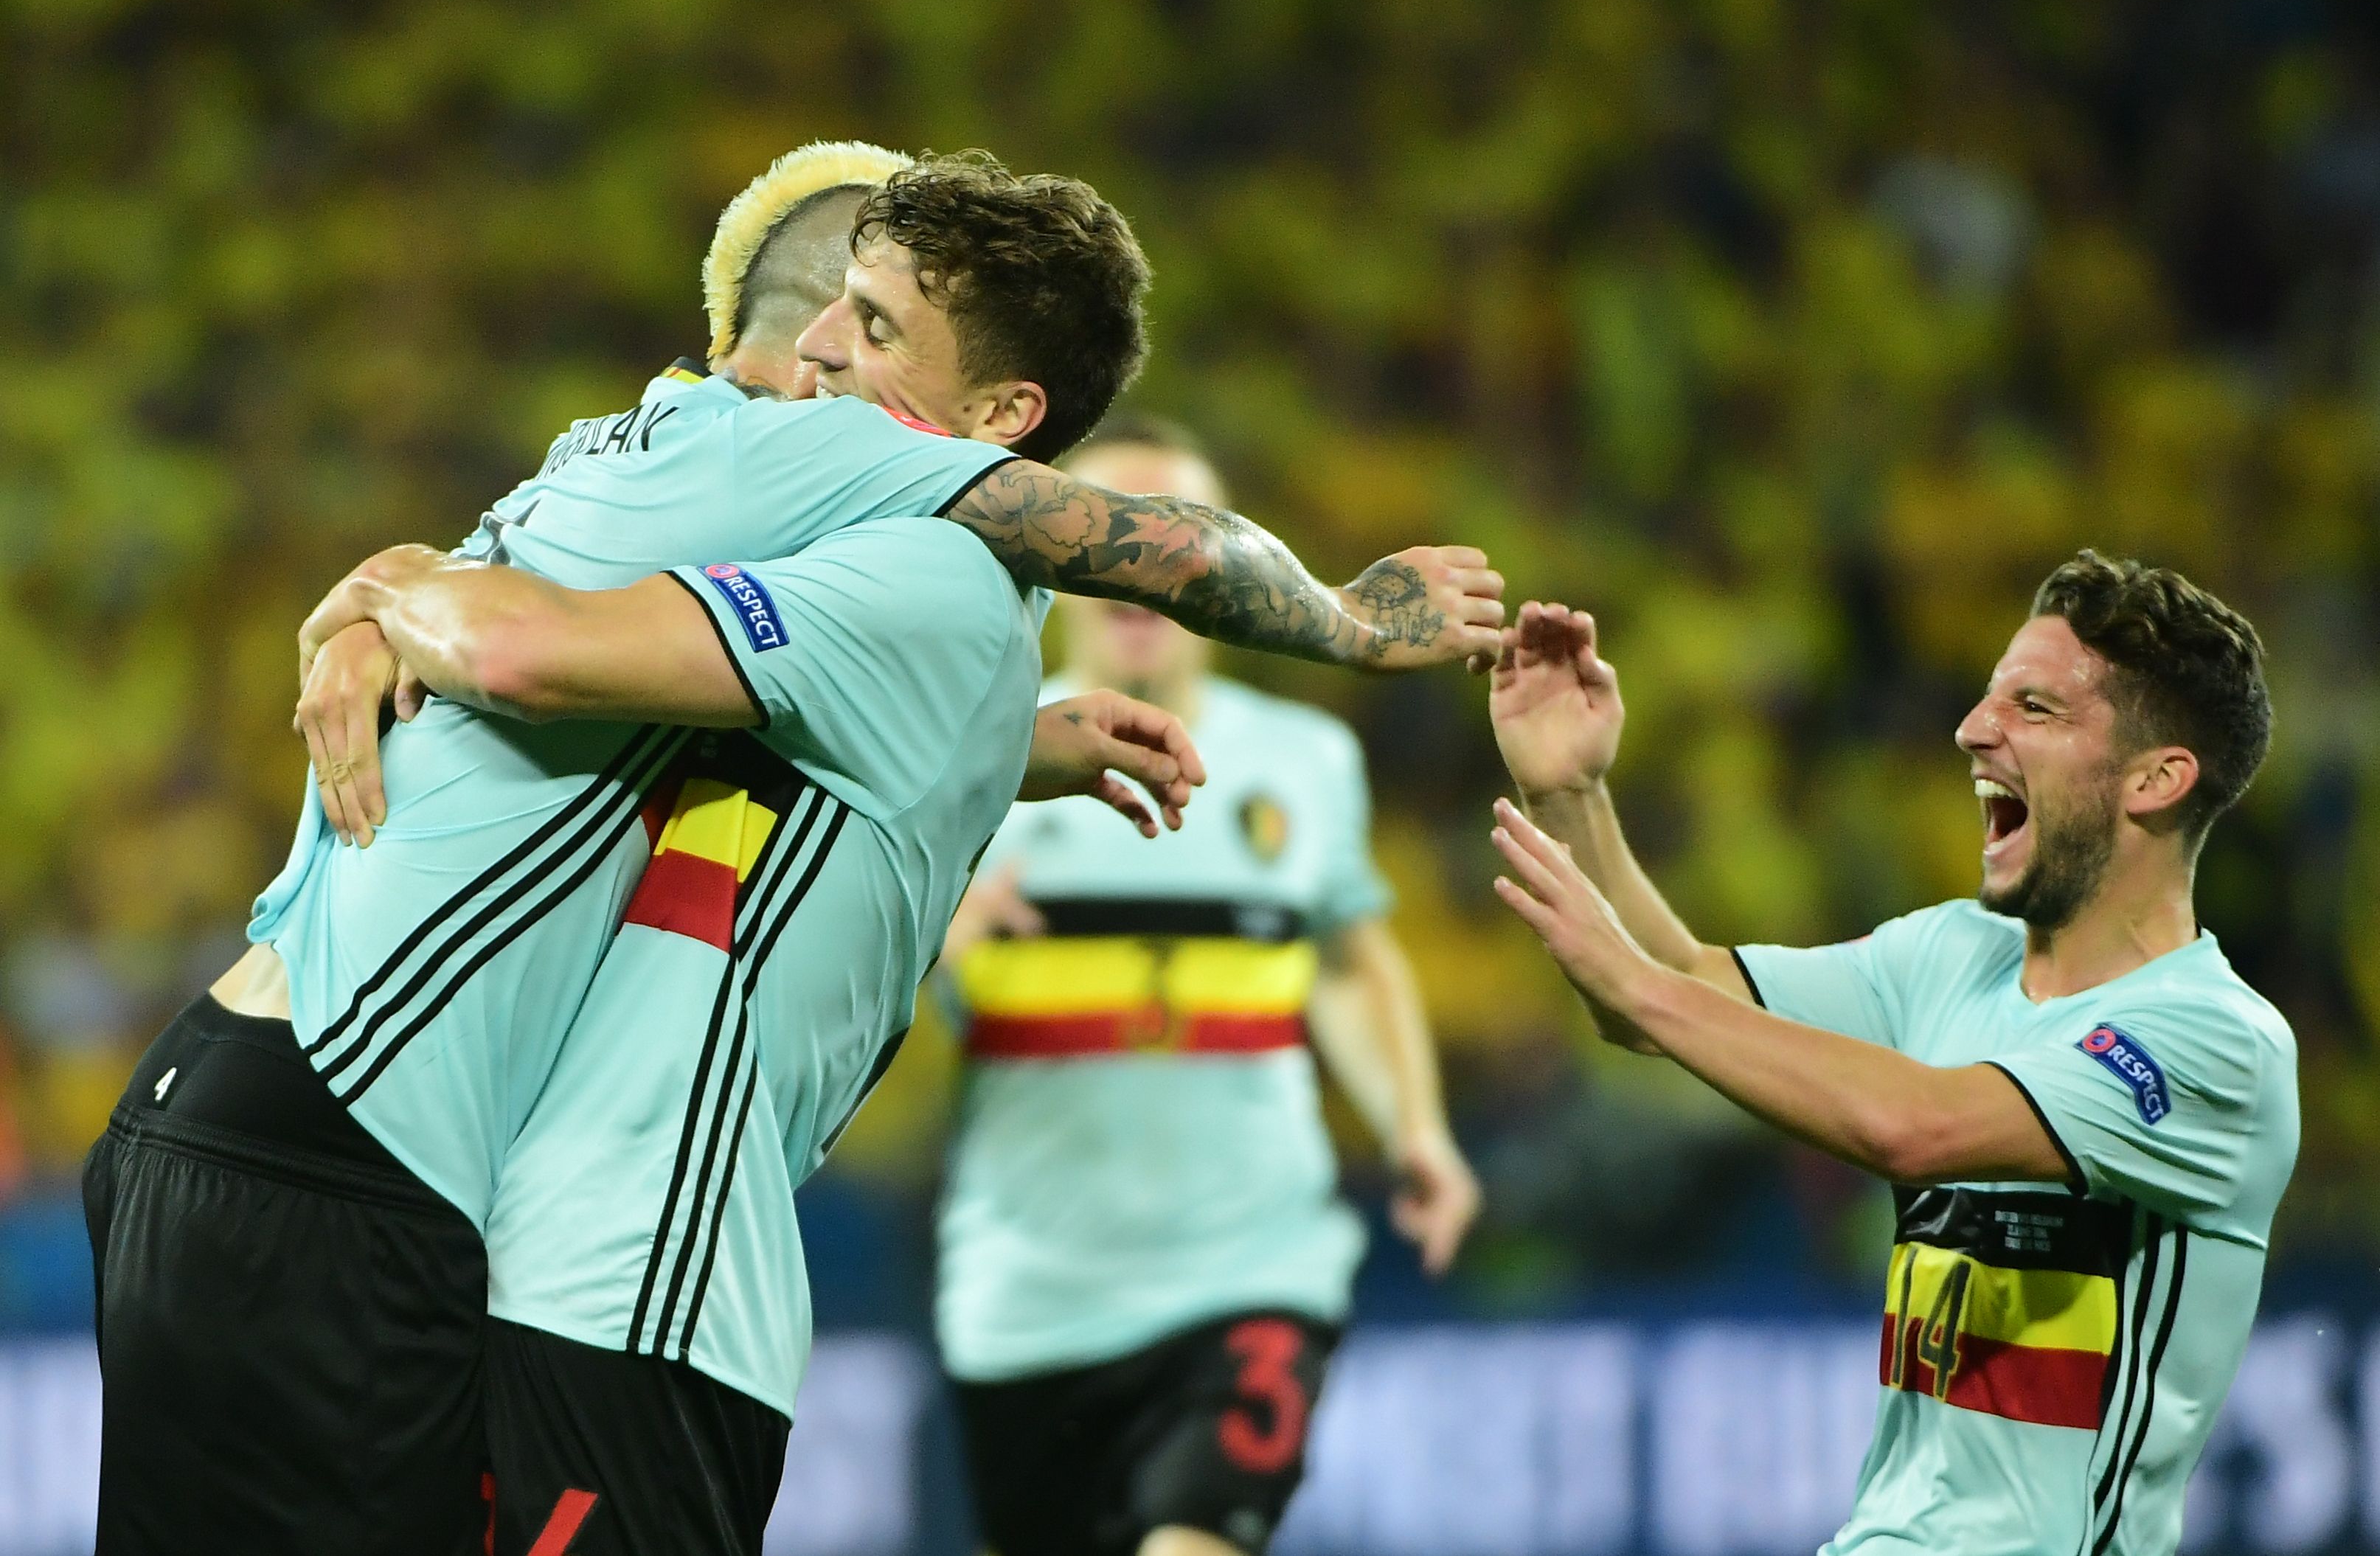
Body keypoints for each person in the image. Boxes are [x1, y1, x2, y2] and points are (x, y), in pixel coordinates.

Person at [86, 146, 1503, 1556]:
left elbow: (741, 695)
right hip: (414, 1180)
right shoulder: (878, 514)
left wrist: (385, 594)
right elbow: (1142, 545)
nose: (839, 345)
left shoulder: (624, 457)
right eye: (844, 308)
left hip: (230, 1109)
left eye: (877, 323)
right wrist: (1349, 620)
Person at [1482, 552, 2297, 1556]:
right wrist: (1574, 796)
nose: (1972, 727)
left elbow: (1914, 1127)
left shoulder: (2216, 1042)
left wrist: (1643, 988)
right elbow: (1674, 995)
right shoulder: (1951, 955)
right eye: (1991, 693)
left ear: (2156, 778)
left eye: (2034, 707)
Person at [932, 417, 1480, 1556]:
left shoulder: (1303, 764)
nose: (1137, 570)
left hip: (1250, 1269)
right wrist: (924, 922)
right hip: (1025, 1294)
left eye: (1167, 539)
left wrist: (1414, 1128)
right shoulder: (969, 758)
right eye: (1105, 543)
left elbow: (1344, 953)